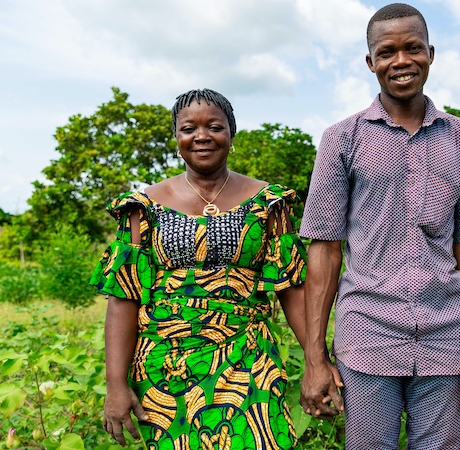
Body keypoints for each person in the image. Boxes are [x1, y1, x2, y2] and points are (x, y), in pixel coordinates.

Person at [299, 3, 460, 449]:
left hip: (446, 336)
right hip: (367, 336)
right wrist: (315, 357)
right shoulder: (343, 137)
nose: (401, 61)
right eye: (387, 51)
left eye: (412, 48)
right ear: (370, 62)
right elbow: (325, 249)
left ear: (430, 53)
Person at [90, 88, 311, 449]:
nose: (202, 136)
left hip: (248, 357)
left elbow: (291, 288)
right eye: (189, 128)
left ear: (231, 133)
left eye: (214, 126)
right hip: (166, 368)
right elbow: (123, 298)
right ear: (176, 138)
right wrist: (115, 384)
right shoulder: (143, 207)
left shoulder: (269, 203)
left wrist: (316, 360)